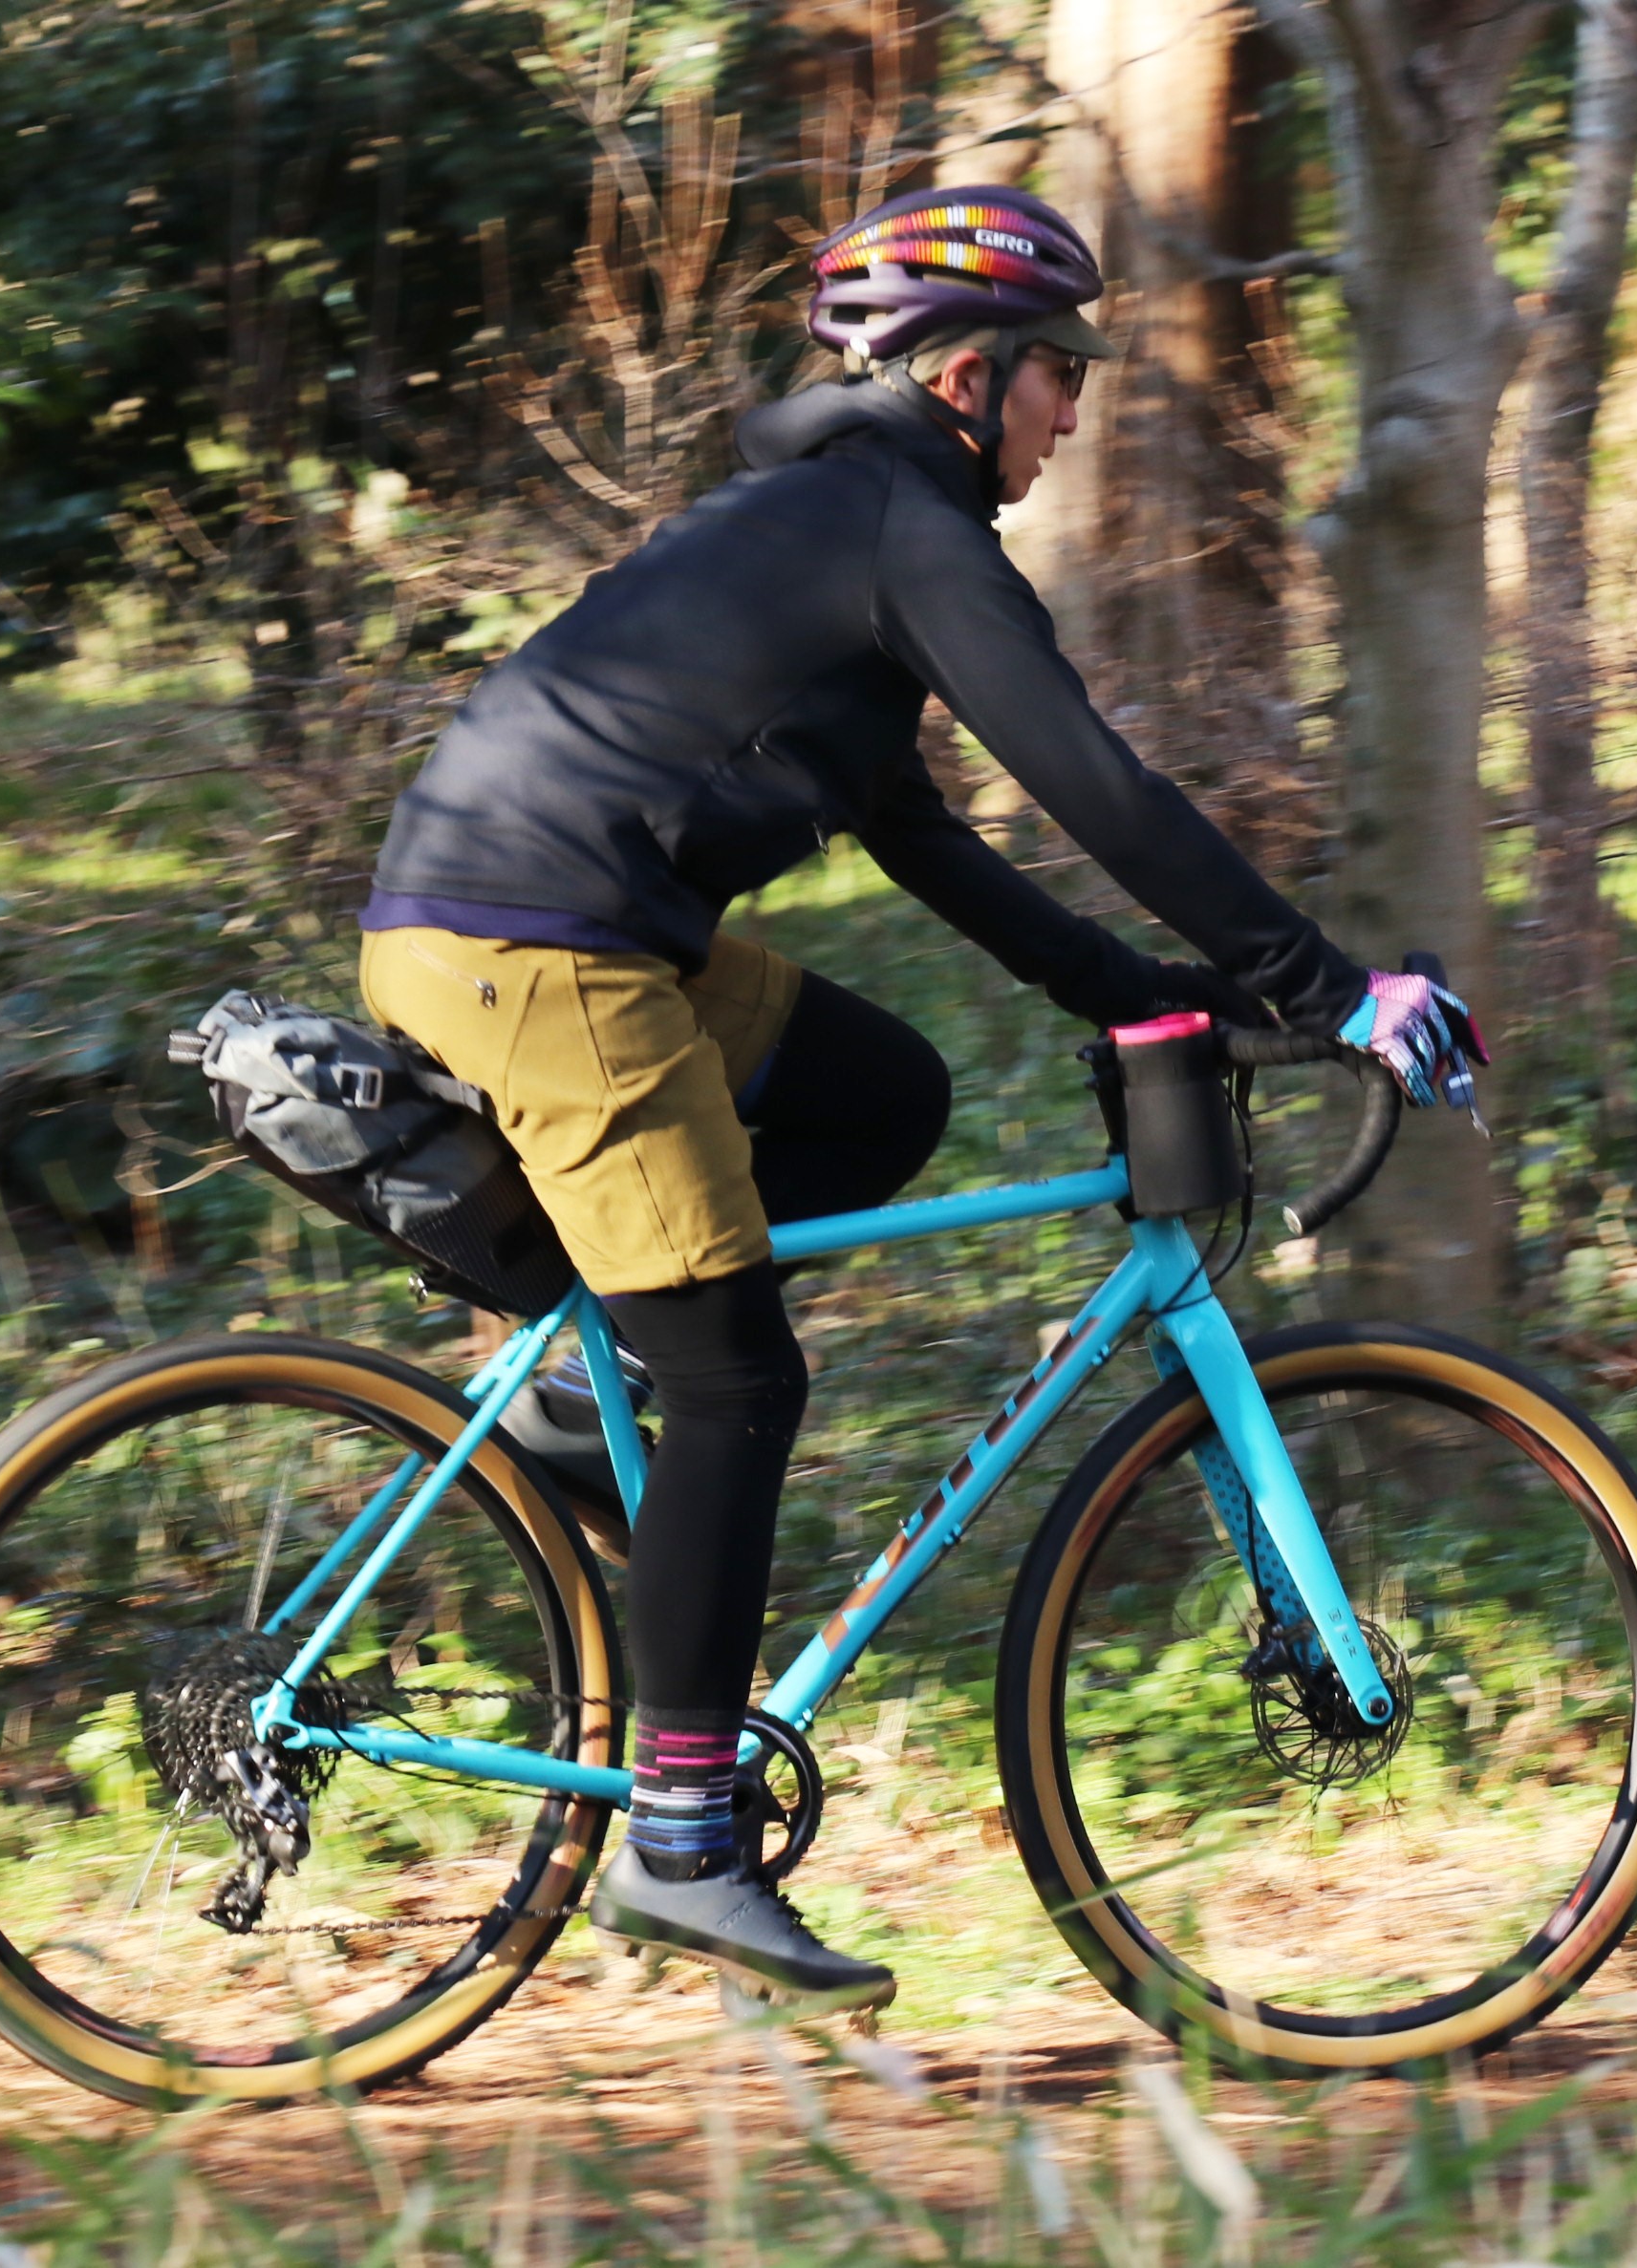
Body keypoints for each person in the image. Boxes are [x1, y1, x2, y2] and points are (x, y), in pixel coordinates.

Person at [358, 185, 1433, 2010]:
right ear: (968, 371)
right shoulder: (900, 526)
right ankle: (681, 1842)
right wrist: (1325, 986)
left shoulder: (842, 520)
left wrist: (1137, 990)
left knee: (878, 1090)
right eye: (1059, 373)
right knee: (738, 1374)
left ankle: (566, 1401)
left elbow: (926, 835)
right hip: (542, 947)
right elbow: (1093, 782)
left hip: (560, 917)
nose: (1073, 413)